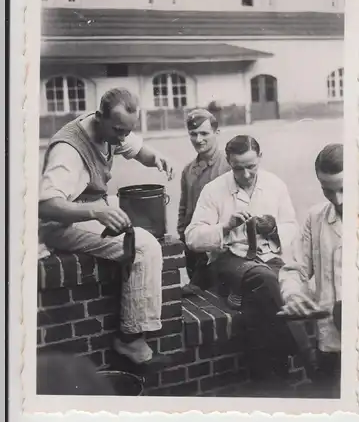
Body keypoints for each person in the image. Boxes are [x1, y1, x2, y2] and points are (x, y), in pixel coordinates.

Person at [38, 88, 174, 370]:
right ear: (99, 117)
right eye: (119, 130)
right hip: (61, 222)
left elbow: (137, 149)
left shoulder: (111, 128)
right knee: (143, 246)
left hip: (90, 206)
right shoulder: (69, 150)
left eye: (128, 130)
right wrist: (95, 211)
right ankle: (131, 338)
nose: (123, 137)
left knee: (145, 217)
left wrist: (156, 158)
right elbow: (46, 205)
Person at [185, 135, 315, 392]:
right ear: (229, 163)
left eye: (251, 166)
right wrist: (225, 226)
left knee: (267, 294)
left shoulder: (275, 185)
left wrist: (275, 228)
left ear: (260, 158)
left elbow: (293, 227)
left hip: (269, 258)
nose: (245, 174)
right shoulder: (214, 190)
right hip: (229, 261)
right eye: (237, 168)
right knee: (267, 280)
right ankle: (307, 357)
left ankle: (267, 372)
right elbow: (192, 237)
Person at [279, 143, 343, 398]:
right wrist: (294, 295)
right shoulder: (316, 218)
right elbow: (295, 267)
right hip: (330, 342)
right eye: (328, 191)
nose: (338, 200)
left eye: (344, 189)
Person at [177, 108, 230, 296]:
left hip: (220, 249)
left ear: (217, 133)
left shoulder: (229, 165)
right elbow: (184, 209)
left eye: (204, 133)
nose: (198, 140)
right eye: (193, 134)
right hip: (195, 247)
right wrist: (183, 238)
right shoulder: (188, 170)